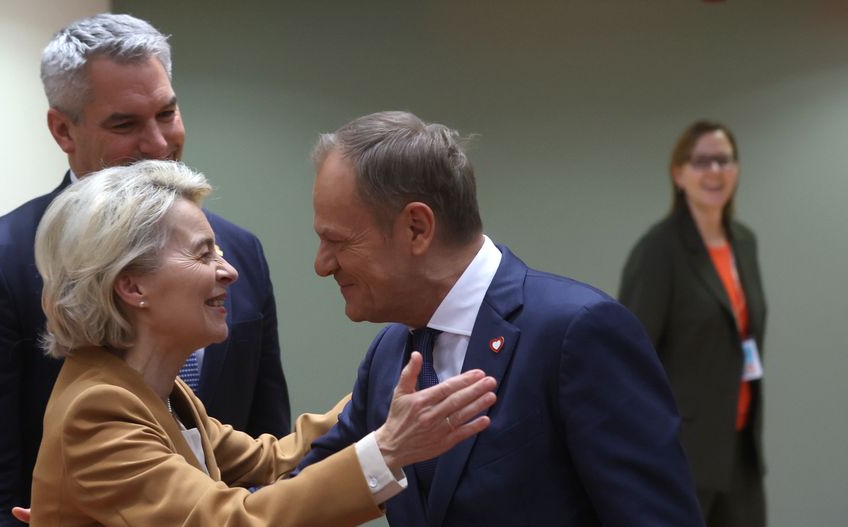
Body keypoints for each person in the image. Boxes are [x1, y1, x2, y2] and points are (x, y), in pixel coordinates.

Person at [0, 14, 290, 525]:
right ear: (62, 130)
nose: (159, 143)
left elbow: (266, 451)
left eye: (167, 113)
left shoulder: (239, 251)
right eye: (125, 124)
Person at [27, 159, 497, 526]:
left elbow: (274, 461)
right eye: (202, 253)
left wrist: (381, 394)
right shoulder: (98, 410)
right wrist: (388, 451)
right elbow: (230, 522)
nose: (229, 271)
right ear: (132, 287)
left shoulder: (157, 392)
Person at [295, 111, 705, 526]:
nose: (322, 264)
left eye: (337, 241)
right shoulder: (390, 354)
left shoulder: (577, 333)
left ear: (417, 228)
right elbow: (303, 491)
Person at [619, 121, 767, 526]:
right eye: (701, 161)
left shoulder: (744, 242)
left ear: (736, 169)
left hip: (740, 446)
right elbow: (629, 358)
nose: (714, 171)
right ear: (678, 173)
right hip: (681, 451)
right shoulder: (659, 250)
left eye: (724, 160)